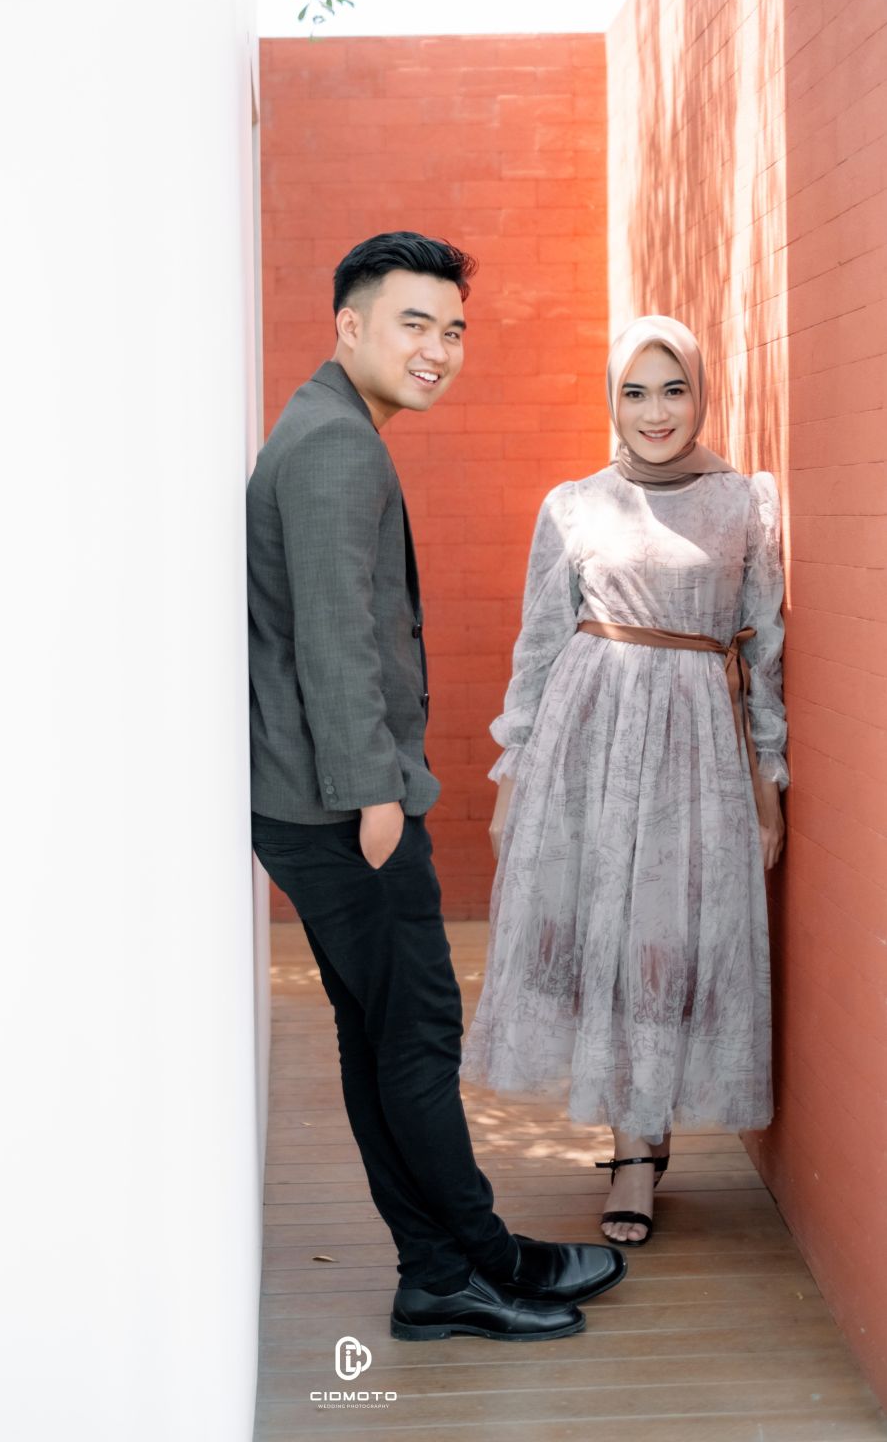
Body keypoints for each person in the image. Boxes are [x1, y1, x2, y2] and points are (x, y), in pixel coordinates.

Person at [247, 232, 626, 1342]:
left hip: (317, 799)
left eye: (452, 330)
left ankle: (440, 1270)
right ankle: (479, 1260)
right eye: (413, 323)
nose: (438, 349)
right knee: (412, 1038)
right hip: (342, 807)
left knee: (378, 1041)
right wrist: (376, 797)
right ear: (349, 325)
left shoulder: (324, 425)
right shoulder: (334, 446)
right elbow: (333, 641)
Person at [464, 314, 788, 1247]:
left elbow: (761, 652)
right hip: (587, 744)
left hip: (696, 751)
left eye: (672, 389)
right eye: (634, 392)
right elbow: (536, 649)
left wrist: (766, 780)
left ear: (699, 393)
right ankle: (632, 1152)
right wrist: (512, 778)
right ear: (611, 400)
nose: (654, 412)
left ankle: (648, 1124)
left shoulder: (742, 504)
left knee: (662, 941)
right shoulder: (573, 505)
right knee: (600, 931)